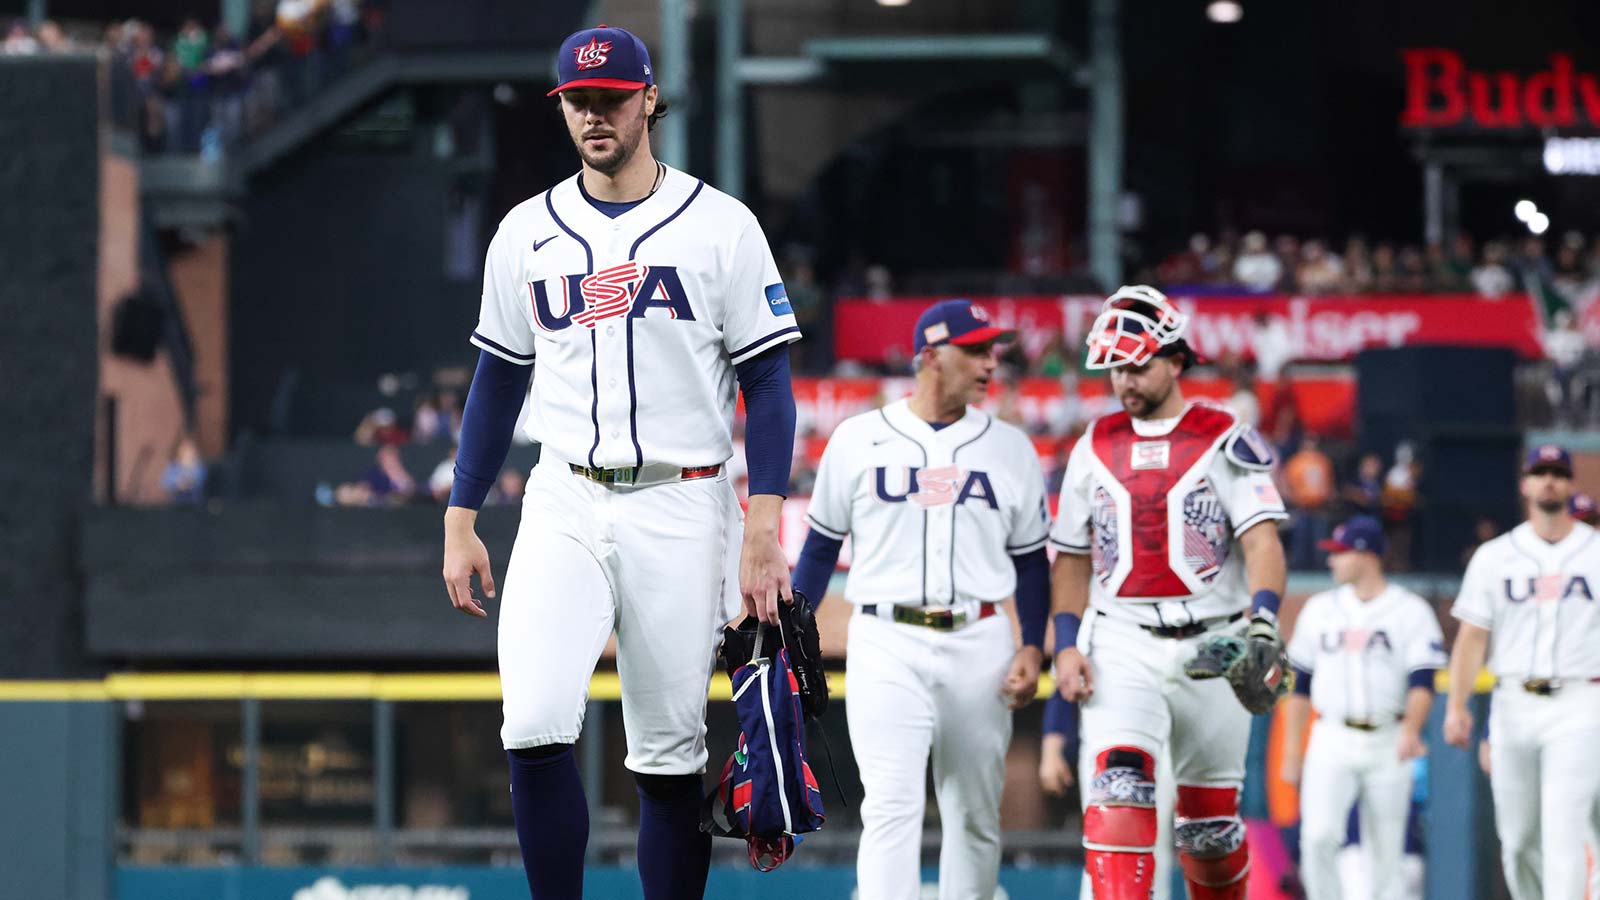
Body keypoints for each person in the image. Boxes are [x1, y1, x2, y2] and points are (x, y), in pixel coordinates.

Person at [440, 25, 801, 900]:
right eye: (578, 101)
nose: (594, 115)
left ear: (648, 100)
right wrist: (460, 513)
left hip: (685, 501)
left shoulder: (722, 226)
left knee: (670, 753)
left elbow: (770, 379)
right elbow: (497, 378)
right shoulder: (527, 232)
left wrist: (763, 523)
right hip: (564, 494)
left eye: (609, 98)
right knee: (529, 722)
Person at [790, 300, 1050, 900]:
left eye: (993, 350)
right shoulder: (858, 439)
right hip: (887, 637)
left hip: (980, 638)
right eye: (977, 350)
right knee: (890, 806)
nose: (991, 363)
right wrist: (791, 636)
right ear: (931, 355)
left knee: (976, 814)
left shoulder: (1011, 448)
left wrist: (1032, 644)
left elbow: (1032, 563)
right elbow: (820, 550)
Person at [1050, 285, 1290, 899]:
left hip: (1215, 642)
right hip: (1122, 638)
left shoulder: (1222, 435)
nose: (1125, 381)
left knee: (1208, 827)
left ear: (1175, 359)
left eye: (1138, 365)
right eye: (1116, 370)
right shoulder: (1092, 445)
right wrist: (1067, 643)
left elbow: (1263, 541)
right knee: (1117, 795)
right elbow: (1072, 558)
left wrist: (1263, 620)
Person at [1444, 444, 1600, 900]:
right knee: (1518, 841)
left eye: (1557, 472)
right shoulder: (1495, 556)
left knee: (1564, 826)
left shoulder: (1595, 552)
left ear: (1571, 484)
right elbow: (1472, 636)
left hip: (1580, 701)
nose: (1549, 479)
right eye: (1540, 471)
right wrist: (1456, 705)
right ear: (1525, 484)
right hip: (1513, 701)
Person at [1278, 515, 1445, 900]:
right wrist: (1292, 751)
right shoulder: (1320, 609)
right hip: (1331, 734)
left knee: (1387, 849)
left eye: (1339, 554)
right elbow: (1299, 685)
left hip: (1388, 736)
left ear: (1364, 554)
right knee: (1318, 837)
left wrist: (1411, 729)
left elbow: (1423, 680)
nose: (1332, 561)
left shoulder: (1409, 609)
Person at [1040, 692, 1179, 900]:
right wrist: (1051, 746)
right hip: (1103, 729)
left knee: (1156, 845)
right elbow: (1065, 676)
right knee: (1105, 835)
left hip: (1169, 727)